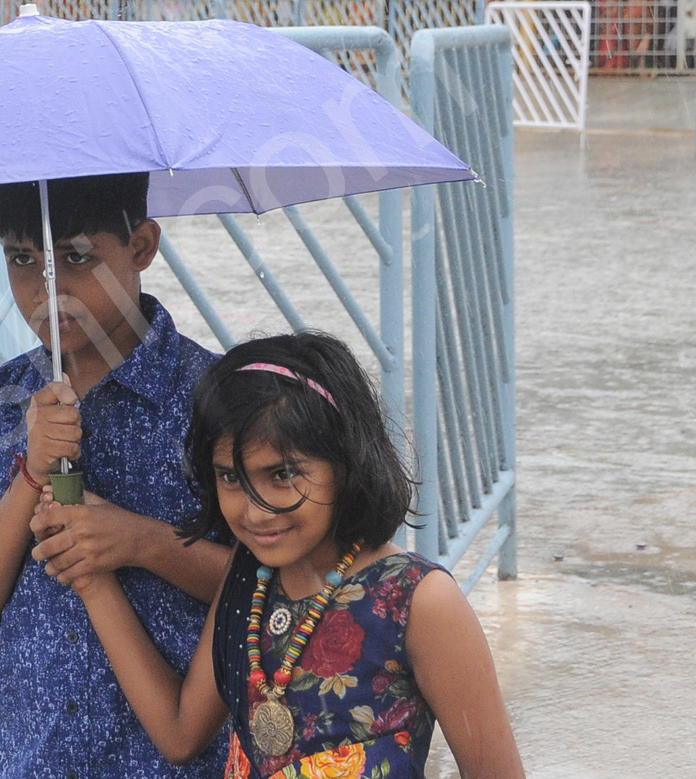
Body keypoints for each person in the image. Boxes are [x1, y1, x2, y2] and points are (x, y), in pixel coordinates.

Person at [33, 332, 524, 779]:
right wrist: (91, 578)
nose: (256, 511)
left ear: (346, 462)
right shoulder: (249, 579)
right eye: (230, 477)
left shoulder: (417, 602)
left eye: (283, 475)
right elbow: (179, 732)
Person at [0, 172, 232, 779]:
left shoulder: (220, 400)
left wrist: (143, 543)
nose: (49, 291)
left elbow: (275, 585)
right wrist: (29, 471)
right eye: (23, 258)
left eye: (77, 257)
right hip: (25, 760)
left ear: (142, 246)